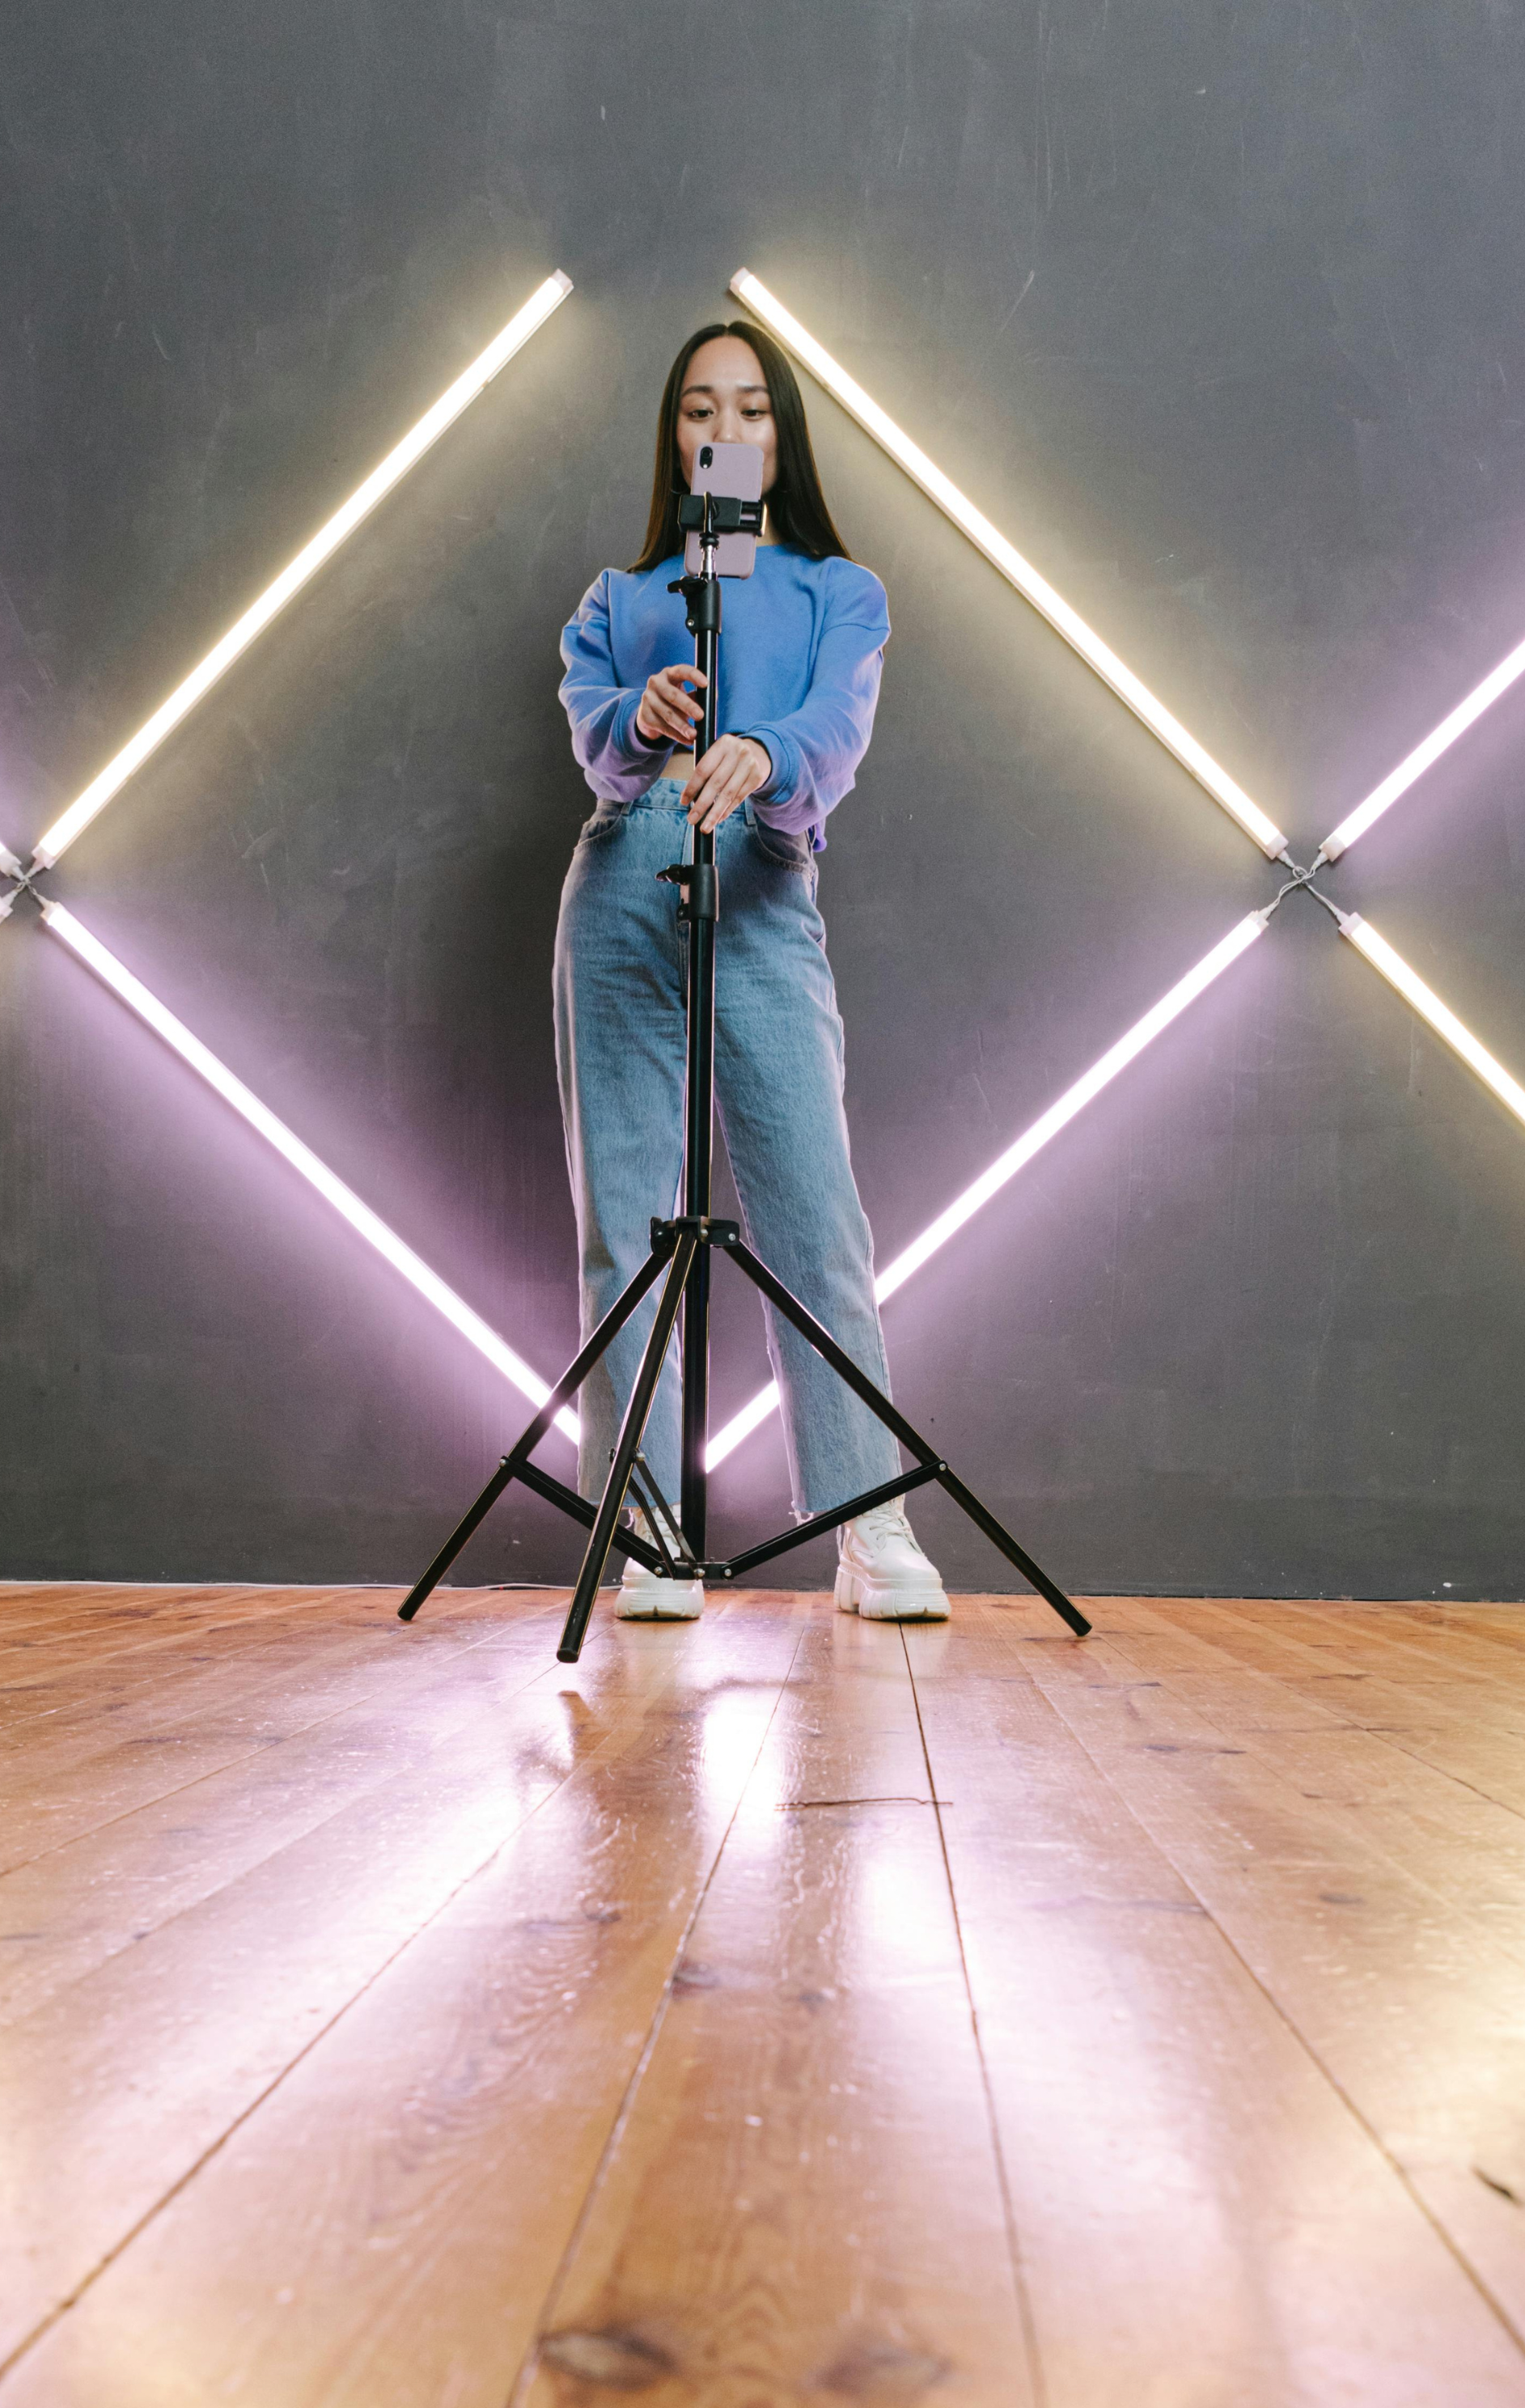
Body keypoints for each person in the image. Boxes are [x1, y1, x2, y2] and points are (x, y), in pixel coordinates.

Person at [554, 317, 948, 1624]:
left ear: (784, 432)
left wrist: (765, 752)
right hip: (624, 877)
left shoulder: (842, 591)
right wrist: (639, 715)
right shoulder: (622, 593)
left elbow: (835, 725)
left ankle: (867, 1523)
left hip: (764, 881)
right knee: (628, 1221)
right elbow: (597, 744)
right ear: (673, 436)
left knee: (813, 1218)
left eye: (752, 407)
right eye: (698, 410)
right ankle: (653, 1532)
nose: (725, 430)